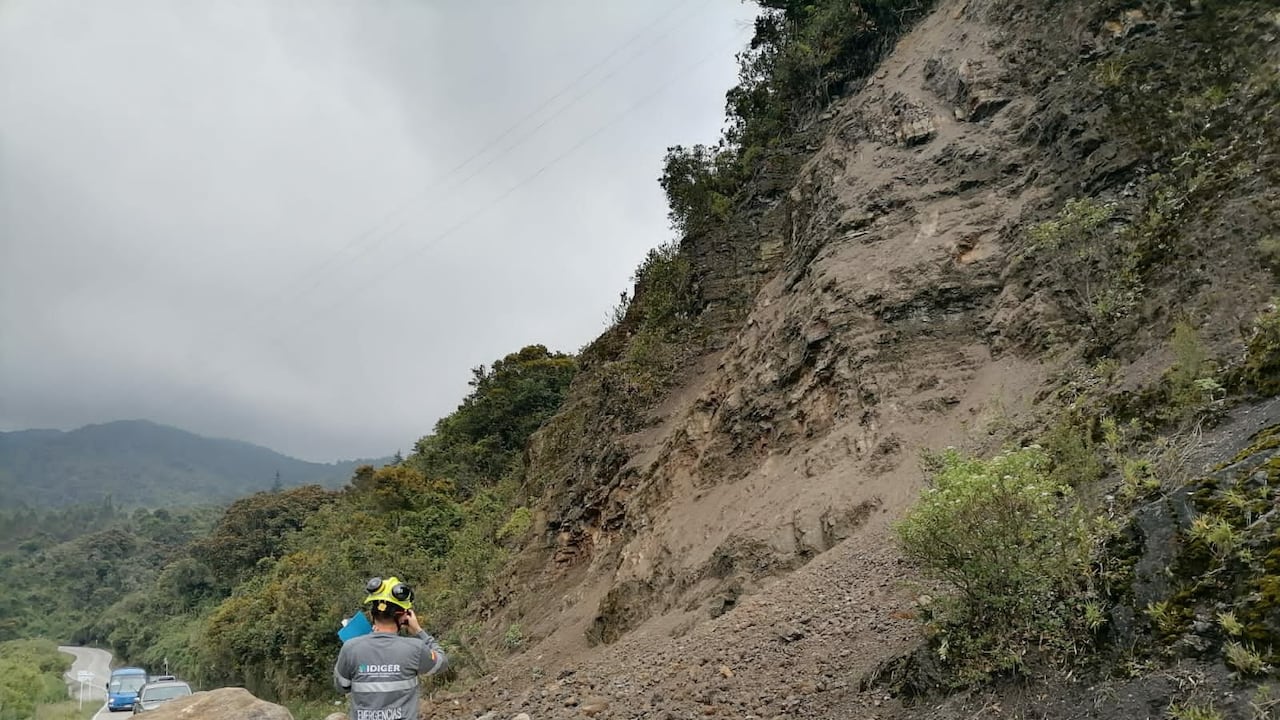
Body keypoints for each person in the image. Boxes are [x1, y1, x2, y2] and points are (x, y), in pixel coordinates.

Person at [334, 576, 449, 720]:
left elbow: (341, 686)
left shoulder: (351, 648)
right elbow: (442, 663)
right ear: (404, 617)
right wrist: (419, 631)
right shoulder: (415, 648)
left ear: (372, 613)